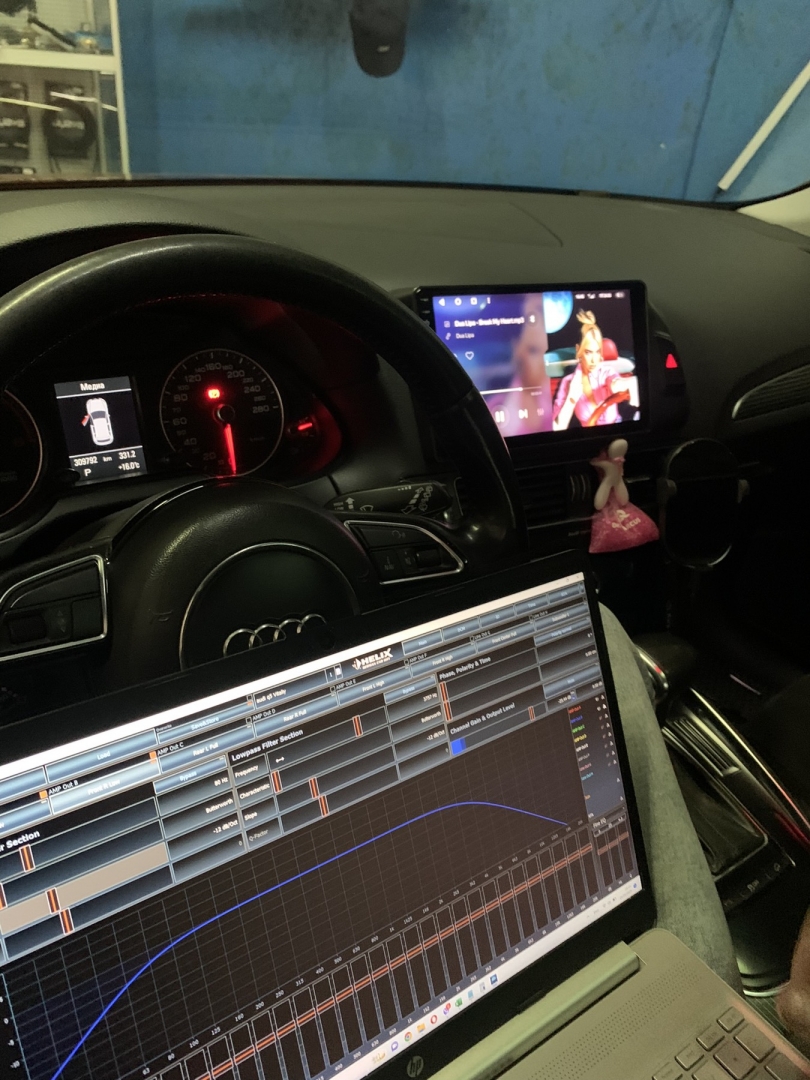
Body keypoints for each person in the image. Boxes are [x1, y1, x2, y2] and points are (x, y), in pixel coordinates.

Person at [552, 309, 632, 430]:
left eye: (597, 351)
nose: (594, 360)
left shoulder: (606, 372)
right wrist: (571, 399)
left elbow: (616, 383)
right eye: (588, 352)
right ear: (578, 350)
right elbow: (557, 428)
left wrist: (627, 384)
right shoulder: (568, 382)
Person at [486, 293, 553, 436]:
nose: (545, 364)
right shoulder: (491, 410)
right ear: (516, 348)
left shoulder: (565, 397)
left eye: (549, 353)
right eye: (534, 350)